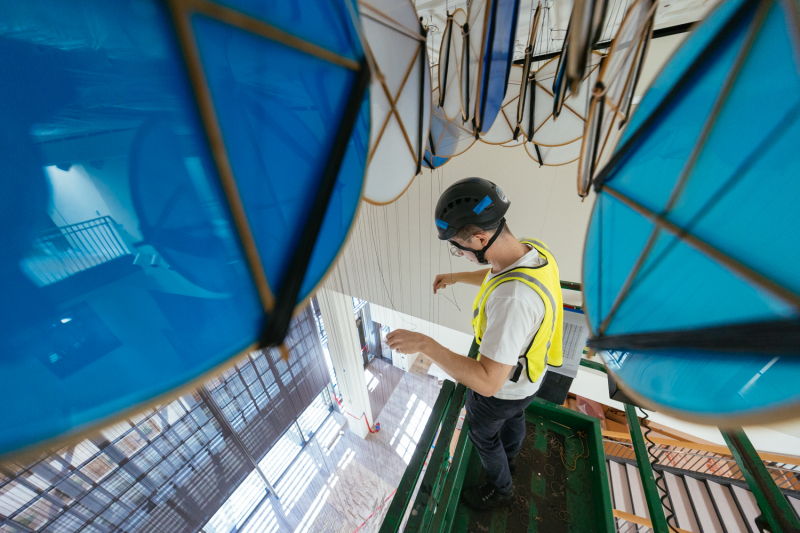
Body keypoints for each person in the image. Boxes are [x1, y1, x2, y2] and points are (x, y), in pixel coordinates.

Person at [386, 177, 564, 510]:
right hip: (529, 381)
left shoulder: (514, 300)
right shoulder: (532, 251)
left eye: (459, 247)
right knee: (514, 419)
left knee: (483, 434)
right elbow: (497, 272)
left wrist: (426, 344)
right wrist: (455, 277)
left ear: (481, 238)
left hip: (502, 391)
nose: (459, 254)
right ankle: (510, 459)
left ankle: (502, 490)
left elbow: (487, 380)